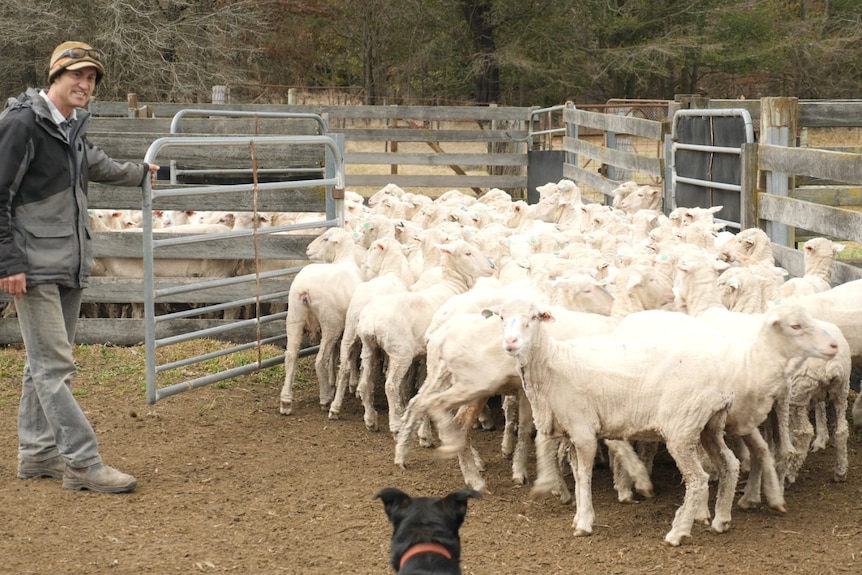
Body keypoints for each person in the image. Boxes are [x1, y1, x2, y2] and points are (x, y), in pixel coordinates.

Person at [0, 41, 159, 493]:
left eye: (91, 78)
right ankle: (83, 463)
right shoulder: (21, 124)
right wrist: (7, 261)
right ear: (55, 76)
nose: (85, 84)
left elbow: (96, 164)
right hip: (31, 267)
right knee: (54, 368)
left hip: (68, 261)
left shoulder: (70, 127)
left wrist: (142, 172)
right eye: (77, 76)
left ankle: (36, 455)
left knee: (41, 366)